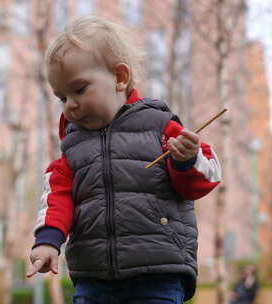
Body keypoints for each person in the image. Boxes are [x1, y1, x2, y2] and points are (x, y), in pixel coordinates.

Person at [27, 16, 222, 304]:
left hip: (157, 273)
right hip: (93, 278)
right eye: (61, 97)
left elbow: (207, 178)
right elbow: (56, 197)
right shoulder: (72, 149)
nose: (71, 105)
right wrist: (47, 241)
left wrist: (186, 160)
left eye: (79, 89)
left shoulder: (160, 126)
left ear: (120, 78)